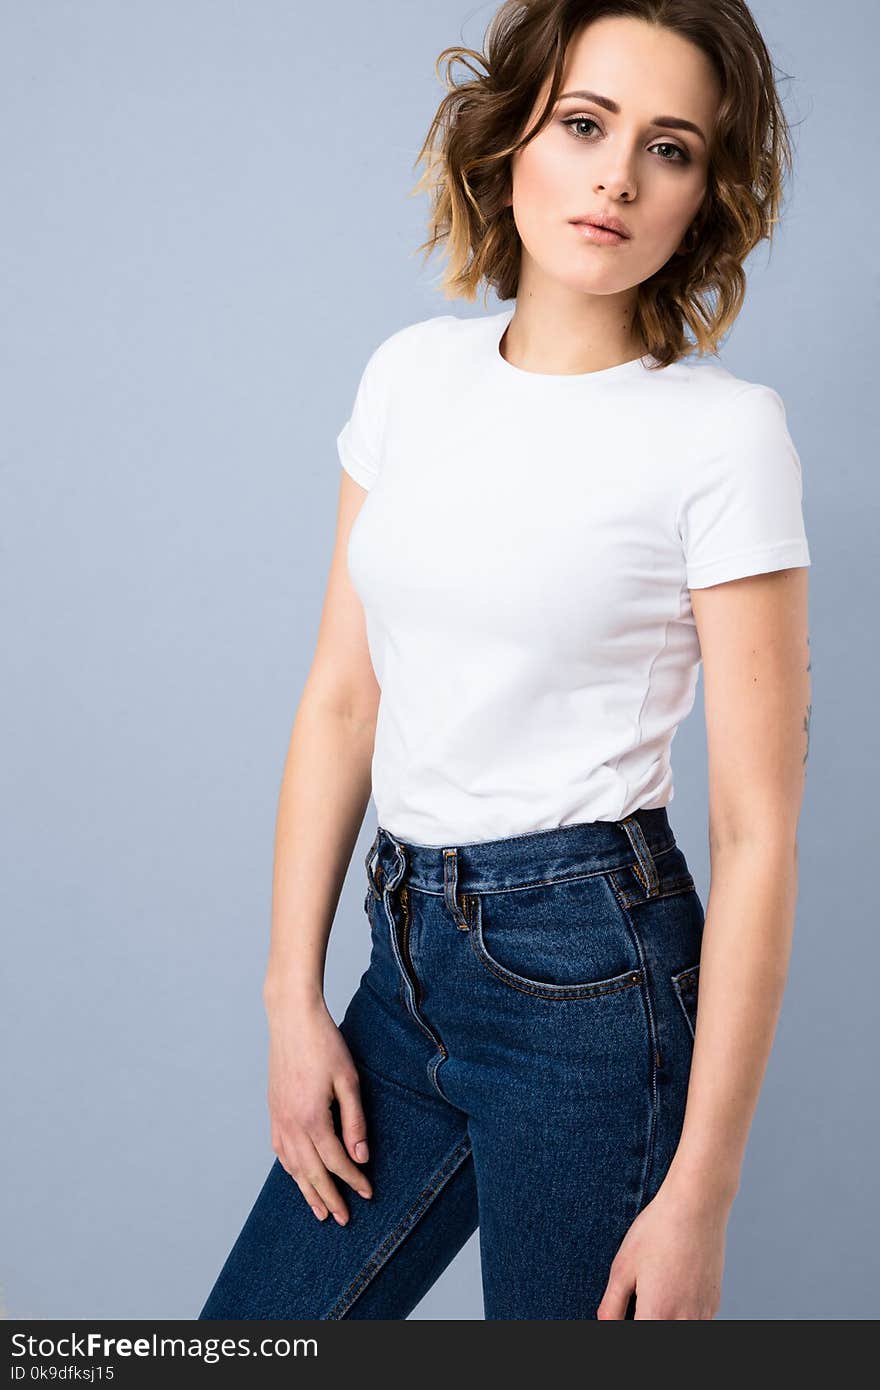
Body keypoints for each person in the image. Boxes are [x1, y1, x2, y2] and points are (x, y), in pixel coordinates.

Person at [199, 0, 811, 1320]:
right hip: (402, 959)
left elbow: (757, 829)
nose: (616, 176)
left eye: (671, 147)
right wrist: (289, 999)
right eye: (584, 124)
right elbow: (343, 694)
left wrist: (701, 1191)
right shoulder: (413, 377)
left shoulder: (724, 436)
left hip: (593, 976)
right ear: (510, 137)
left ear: (705, 191)